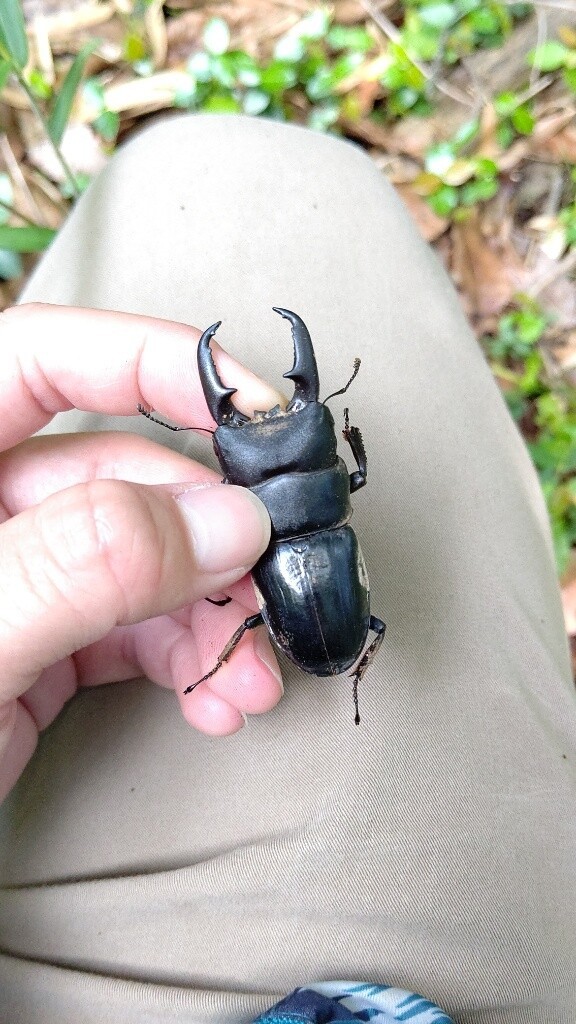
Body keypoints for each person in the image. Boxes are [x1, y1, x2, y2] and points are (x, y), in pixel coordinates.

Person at [0, 114, 574, 1024]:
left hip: (302, 619)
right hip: (324, 615)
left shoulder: (284, 542)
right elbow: (357, 481)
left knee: (173, 169)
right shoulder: (338, 520)